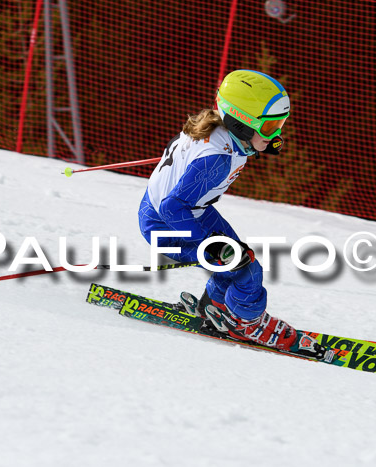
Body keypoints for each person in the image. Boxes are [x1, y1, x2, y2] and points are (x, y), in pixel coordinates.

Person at [138, 69, 323, 357]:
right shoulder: (217, 160)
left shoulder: (222, 131)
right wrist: (207, 246)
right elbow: (172, 206)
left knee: (239, 258)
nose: (277, 133)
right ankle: (246, 323)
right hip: (168, 224)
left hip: (191, 211)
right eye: (271, 126)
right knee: (247, 270)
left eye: (280, 124)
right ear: (241, 124)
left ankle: (215, 308)